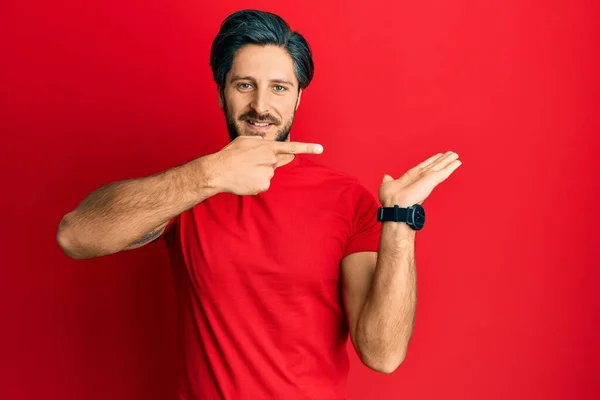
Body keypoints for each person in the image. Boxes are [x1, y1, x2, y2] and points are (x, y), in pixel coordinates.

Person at [56, 9, 461, 400]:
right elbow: (76, 236)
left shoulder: (347, 199)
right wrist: (206, 176)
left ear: (299, 97)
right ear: (221, 93)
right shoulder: (188, 189)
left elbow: (382, 353)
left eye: (279, 87)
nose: (261, 106)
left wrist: (400, 219)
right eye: (244, 85)